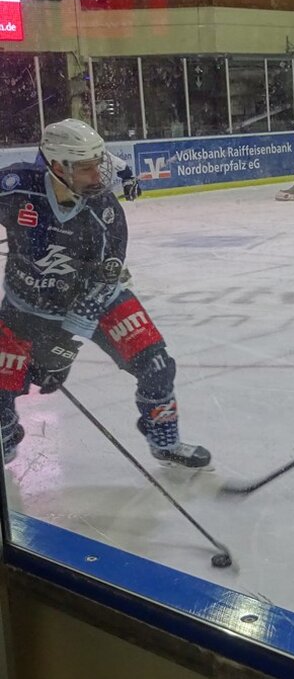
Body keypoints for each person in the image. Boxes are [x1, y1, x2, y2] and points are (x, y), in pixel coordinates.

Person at [0, 119, 210, 468]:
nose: (97, 175)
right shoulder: (16, 186)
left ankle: (164, 440)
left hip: (95, 298)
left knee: (156, 363)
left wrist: (63, 349)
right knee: (2, 382)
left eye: (98, 164)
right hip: (25, 305)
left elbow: (103, 283)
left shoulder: (106, 213)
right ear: (56, 166)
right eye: (86, 168)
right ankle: (5, 437)